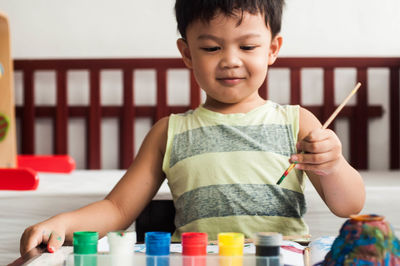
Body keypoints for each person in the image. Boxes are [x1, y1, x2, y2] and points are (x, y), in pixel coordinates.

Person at [20, 0, 365, 255]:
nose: (230, 59)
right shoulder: (168, 132)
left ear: (273, 49)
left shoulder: (297, 122)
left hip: (277, 259)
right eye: (212, 47)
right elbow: (119, 209)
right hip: (196, 259)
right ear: (186, 53)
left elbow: (349, 206)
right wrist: (62, 224)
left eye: (247, 46)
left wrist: (333, 166)